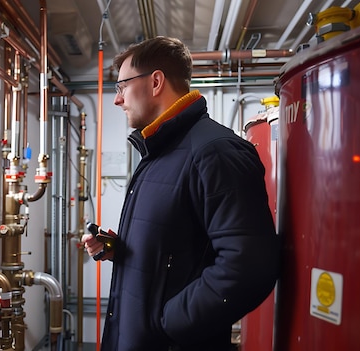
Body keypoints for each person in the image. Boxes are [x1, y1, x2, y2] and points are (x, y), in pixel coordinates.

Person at [81, 36, 280, 351]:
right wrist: (119, 249)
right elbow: (178, 249)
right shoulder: (158, 152)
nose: (117, 100)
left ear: (156, 81)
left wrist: (166, 323)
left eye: (121, 87)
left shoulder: (215, 151)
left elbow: (248, 267)